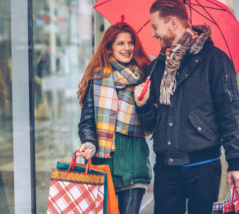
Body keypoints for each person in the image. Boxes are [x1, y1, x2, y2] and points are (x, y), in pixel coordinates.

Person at [134, 0, 239, 214]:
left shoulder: (215, 60)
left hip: (204, 167)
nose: (153, 33)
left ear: (173, 23)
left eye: (155, 27)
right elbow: (152, 123)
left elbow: (231, 114)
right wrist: (143, 105)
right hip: (165, 169)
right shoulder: (157, 67)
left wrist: (235, 162)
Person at [76, 22, 152, 214]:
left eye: (130, 43)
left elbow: (152, 122)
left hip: (134, 164)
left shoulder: (145, 77)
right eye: (120, 43)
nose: (127, 48)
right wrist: (90, 144)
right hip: (103, 163)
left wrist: (143, 103)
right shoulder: (96, 79)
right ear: (109, 48)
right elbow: (86, 122)